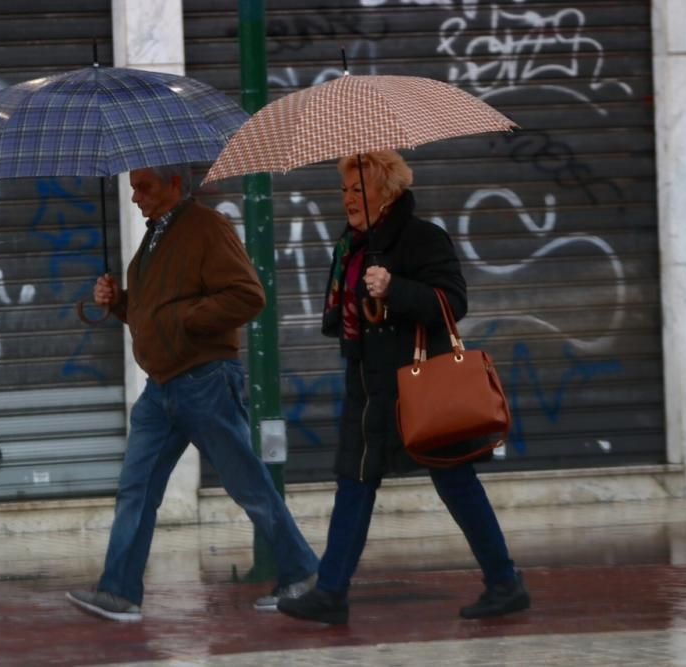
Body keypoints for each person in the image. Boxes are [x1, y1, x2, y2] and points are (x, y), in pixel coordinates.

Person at [276, 150, 531, 625]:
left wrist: (394, 287)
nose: (348, 200)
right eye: (344, 190)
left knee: (455, 481)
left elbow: (453, 300)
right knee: (353, 482)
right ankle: (331, 592)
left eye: (359, 190)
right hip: (366, 387)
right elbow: (344, 311)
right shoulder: (350, 244)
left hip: (418, 388)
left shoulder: (422, 238)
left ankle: (505, 582)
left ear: (386, 193)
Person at [66, 164, 319, 622]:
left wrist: (185, 322)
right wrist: (119, 302)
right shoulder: (153, 238)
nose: (136, 197)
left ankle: (302, 572)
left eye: (145, 187)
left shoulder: (205, 227)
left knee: (248, 484)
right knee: (136, 489)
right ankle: (119, 592)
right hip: (161, 389)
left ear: (175, 184)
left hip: (203, 381)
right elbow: (153, 312)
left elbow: (248, 295)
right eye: (132, 189)